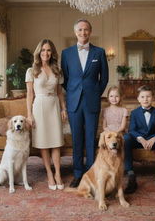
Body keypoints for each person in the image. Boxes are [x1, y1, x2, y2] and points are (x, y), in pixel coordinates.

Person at [61, 19, 109, 188]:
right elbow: (65, 79)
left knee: (90, 139)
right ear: (75, 32)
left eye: (86, 30)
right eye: (80, 30)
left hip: (92, 102)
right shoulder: (66, 53)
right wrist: (73, 93)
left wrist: (95, 93)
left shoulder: (99, 52)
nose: (83, 32)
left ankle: (91, 174)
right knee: (76, 139)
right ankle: (77, 174)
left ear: (90, 32)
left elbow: (104, 78)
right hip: (74, 102)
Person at [26, 39, 67, 191]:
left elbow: (60, 93)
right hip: (39, 106)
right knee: (43, 143)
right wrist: (29, 115)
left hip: (54, 105)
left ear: (52, 53)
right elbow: (29, 95)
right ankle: (49, 173)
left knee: (56, 141)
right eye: (43, 50)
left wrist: (63, 109)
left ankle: (58, 173)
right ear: (39, 52)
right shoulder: (32, 71)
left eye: (49, 50)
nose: (46, 53)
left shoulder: (57, 70)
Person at [124, 85, 155, 193]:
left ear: (153, 98)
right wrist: (141, 139)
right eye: (142, 97)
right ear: (138, 99)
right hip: (139, 141)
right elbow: (131, 130)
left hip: (152, 141)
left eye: (148, 96)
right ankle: (131, 175)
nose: (145, 99)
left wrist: (154, 138)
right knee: (126, 138)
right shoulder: (134, 113)